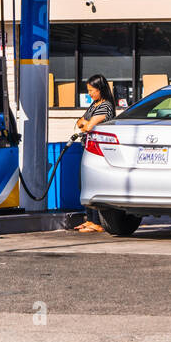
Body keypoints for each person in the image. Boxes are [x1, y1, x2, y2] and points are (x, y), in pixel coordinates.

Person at [72, 75, 116, 233]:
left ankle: (97, 222)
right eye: (88, 90)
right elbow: (79, 122)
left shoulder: (105, 106)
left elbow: (88, 127)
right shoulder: (95, 104)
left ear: (101, 89)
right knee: (84, 184)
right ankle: (90, 219)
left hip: (99, 152)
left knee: (94, 183)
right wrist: (84, 123)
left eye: (92, 90)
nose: (89, 93)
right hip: (88, 148)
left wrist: (85, 124)